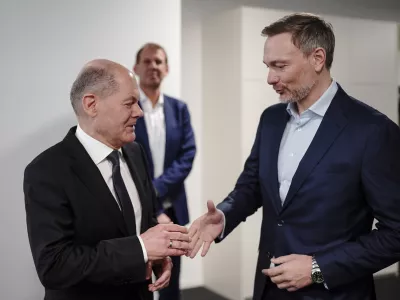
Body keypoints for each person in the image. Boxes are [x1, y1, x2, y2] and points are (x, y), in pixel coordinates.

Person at [187, 13, 400, 300]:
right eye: (267, 66)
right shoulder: (271, 119)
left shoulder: (373, 130)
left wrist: (317, 268)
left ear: (317, 59)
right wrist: (224, 216)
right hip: (269, 289)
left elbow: (396, 233)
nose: (269, 78)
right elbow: (251, 186)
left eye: (280, 66)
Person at [23, 59, 192, 300]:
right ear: (91, 104)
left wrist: (156, 257)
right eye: (129, 103)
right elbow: (54, 266)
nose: (139, 112)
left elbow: (142, 221)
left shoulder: (135, 152)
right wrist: (141, 249)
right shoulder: (46, 171)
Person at [133, 43, 196, 300]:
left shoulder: (178, 109)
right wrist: (151, 202)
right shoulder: (129, 108)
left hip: (173, 209)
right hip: (138, 208)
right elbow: (125, 158)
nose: (153, 67)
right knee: (139, 277)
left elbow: (188, 154)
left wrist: (157, 188)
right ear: (136, 68)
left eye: (158, 62)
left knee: (172, 279)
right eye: (147, 62)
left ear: (167, 68)